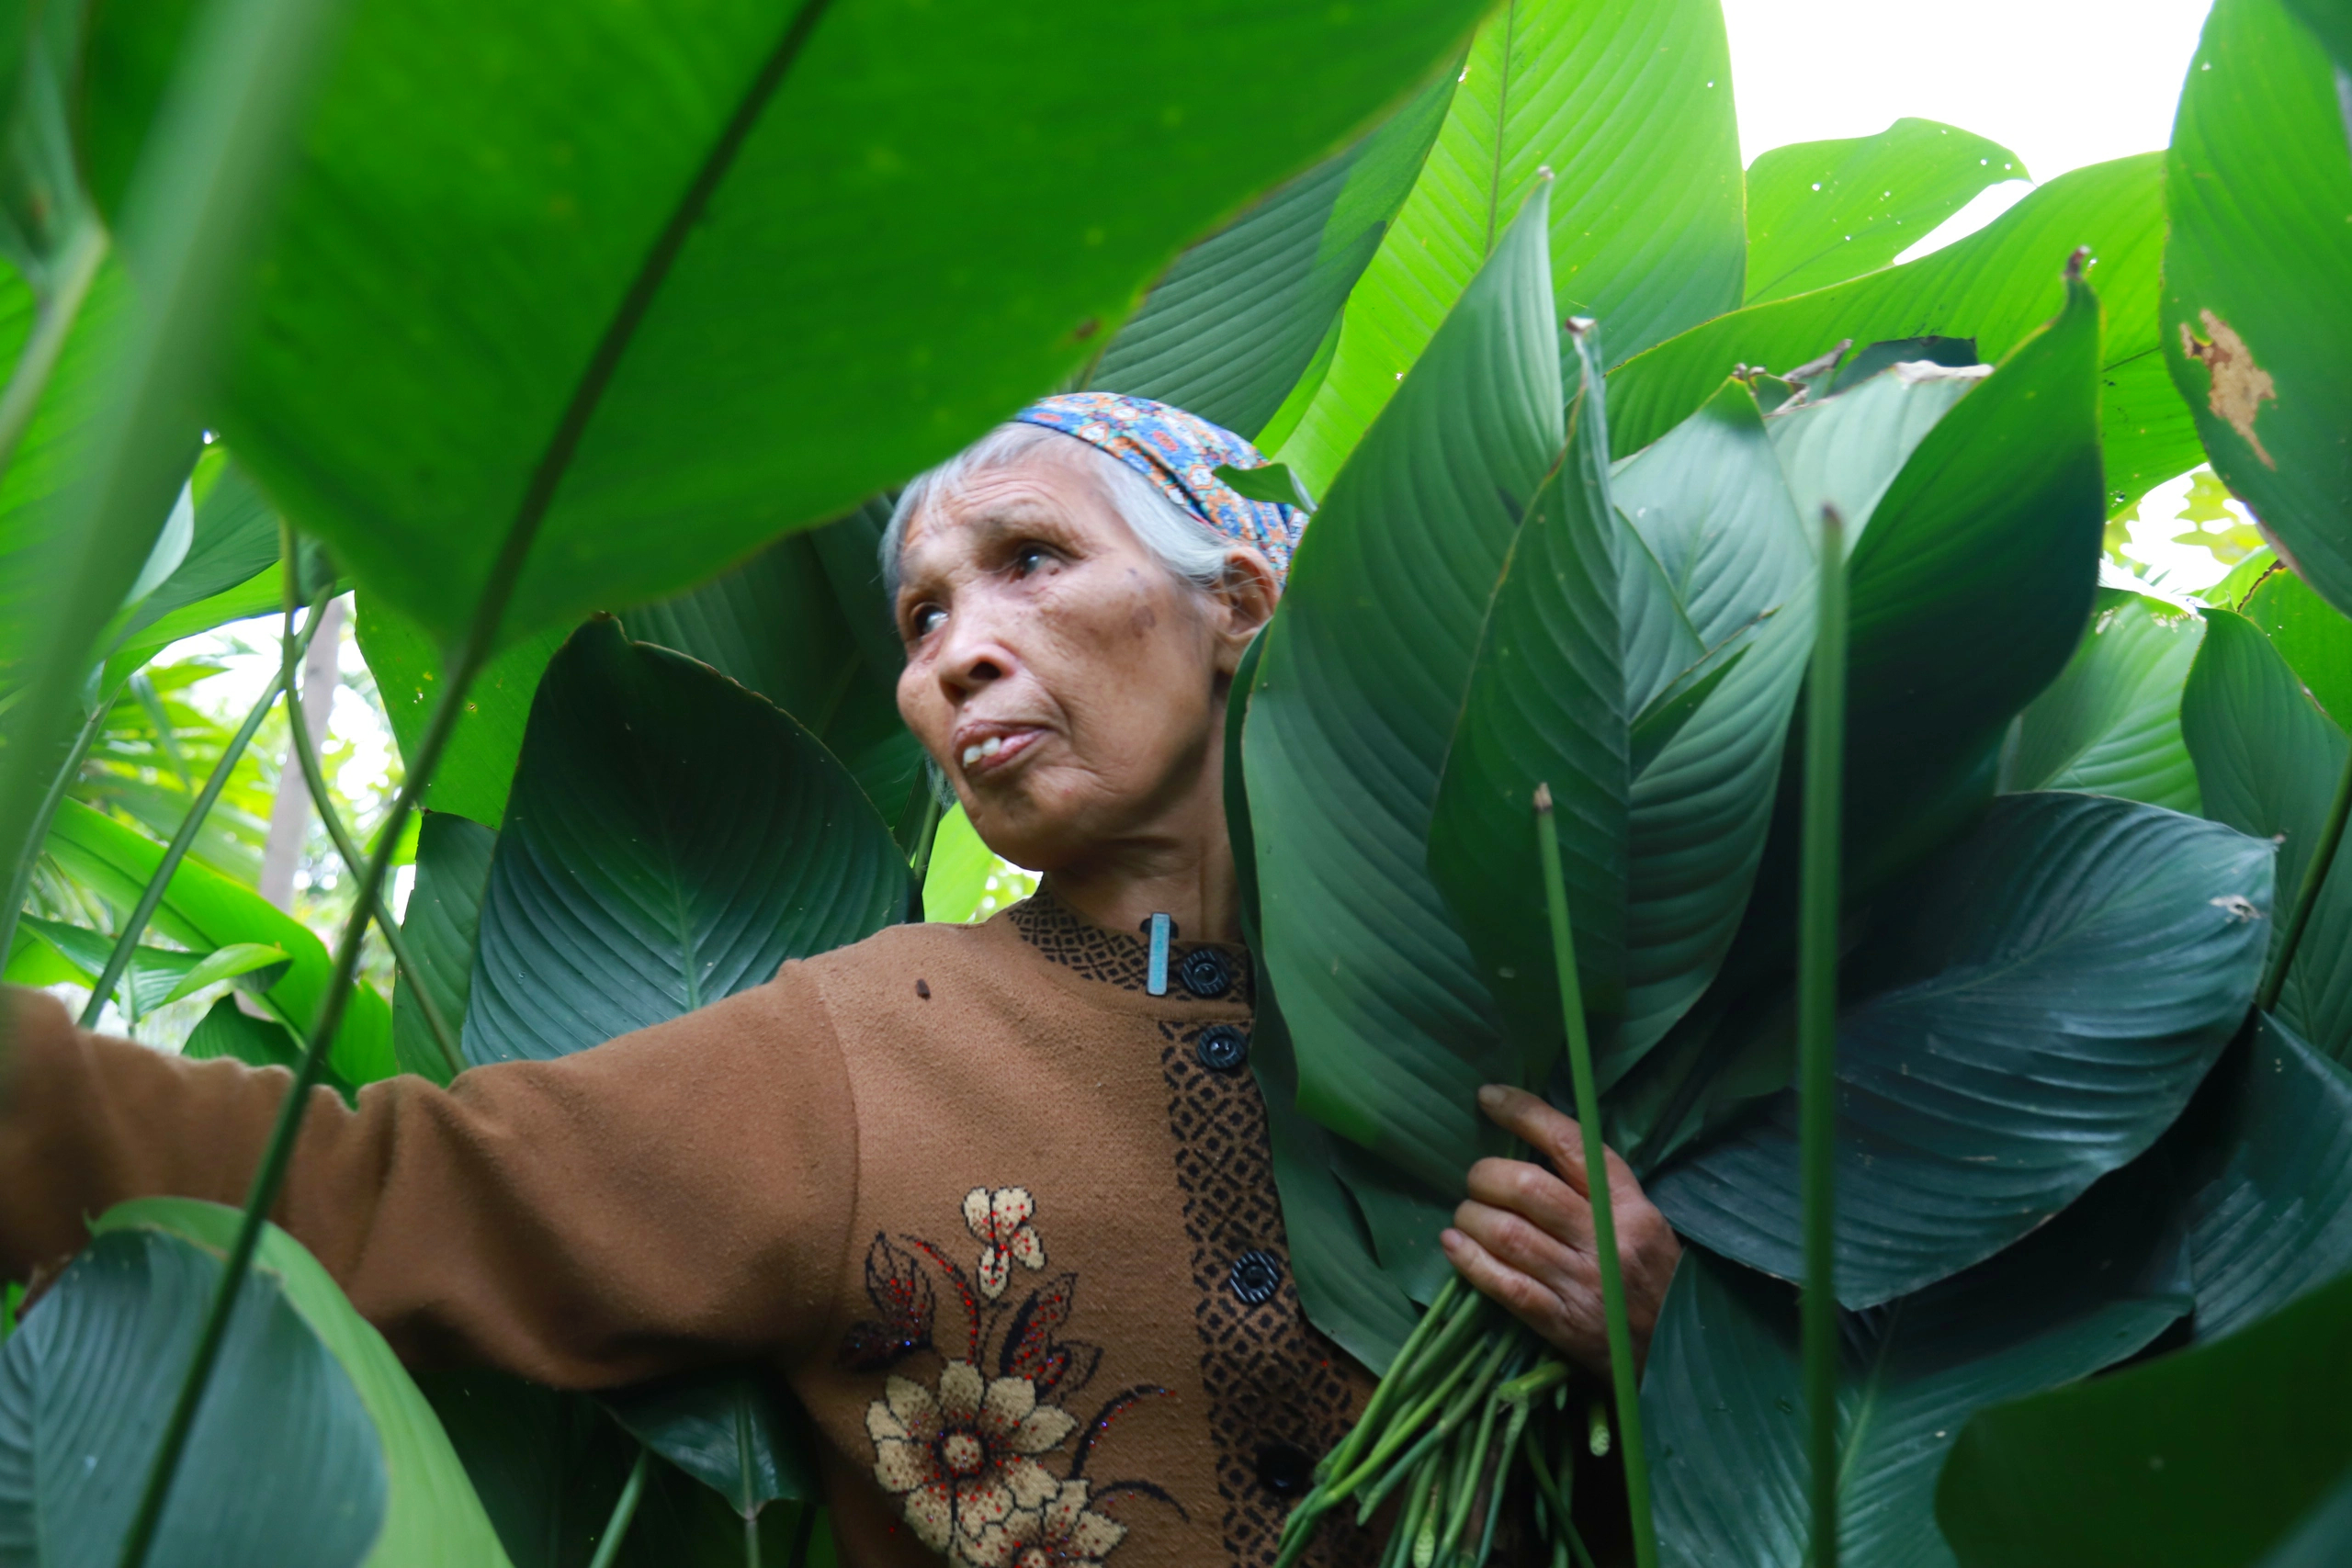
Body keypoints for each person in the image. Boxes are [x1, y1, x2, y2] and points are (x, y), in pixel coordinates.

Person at [0, 393, 1680, 1568]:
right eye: (920, 613)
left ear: (1241, 598)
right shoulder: (869, 1048)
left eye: (1029, 559)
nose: (954, 649)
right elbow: (385, 1196)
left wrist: (1648, 1361)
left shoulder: (1508, 1028)